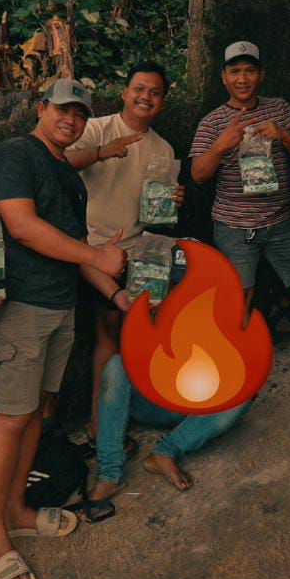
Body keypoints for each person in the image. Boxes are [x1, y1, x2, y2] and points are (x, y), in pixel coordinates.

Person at [0, 79, 127, 579]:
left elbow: (75, 247)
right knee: (11, 417)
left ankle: (18, 511)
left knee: (38, 413)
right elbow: (21, 226)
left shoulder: (66, 172)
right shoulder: (15, 155)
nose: (71, 119)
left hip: (61, 308)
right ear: (40, 108)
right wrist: (98, 257)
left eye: (80, 114)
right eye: (62, 109)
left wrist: (116, 293)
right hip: (22, 307)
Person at [189, 41, 290, 392]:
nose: (243, 78)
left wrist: (283, 135)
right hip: (234, 226)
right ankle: (231, 384)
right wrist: (221, 145)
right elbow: (198, 175)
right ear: (224, 78)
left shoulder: (279, 108)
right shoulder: (212, 122)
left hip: (282, 221)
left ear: (261, 74)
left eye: (249, 70)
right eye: (235, 71)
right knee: (239, 301)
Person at [65, 61, 184, 446]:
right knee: (107, 331)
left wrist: (171, 200)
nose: (145, 97)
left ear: (162, 102)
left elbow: (156, 213)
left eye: (155, 93)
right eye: (139, 89)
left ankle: (128, 408)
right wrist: (102, 152)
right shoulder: (95, 128)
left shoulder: (163, 148)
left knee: (137, 330)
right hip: (90, 250)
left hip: (135, 251)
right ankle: (99, 422)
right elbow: (61, 162)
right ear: (125, 92)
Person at [89, 355, 252, 500]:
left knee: (245, 386)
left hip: (200, 398)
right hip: (151, 400)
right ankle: (109, 476)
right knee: (117, 364)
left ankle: (165, 452)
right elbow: (107, 338)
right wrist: (98, 417)